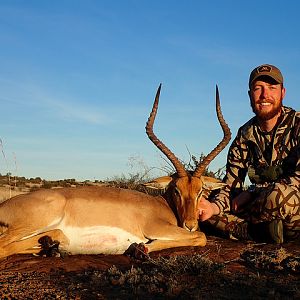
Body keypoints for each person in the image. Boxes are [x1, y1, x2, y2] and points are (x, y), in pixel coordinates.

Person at [198, 64, 300, 244]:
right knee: (203, 207)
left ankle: (247, 230)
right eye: (257, 88)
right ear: (250, 95)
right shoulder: (245, 134)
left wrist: (253, 191)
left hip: (288, 203)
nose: (264, 95)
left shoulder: (298, 124)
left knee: (278, 195)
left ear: (282, 93)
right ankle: (263, 231)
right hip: (261, 206)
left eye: (271, 88)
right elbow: (231, 185)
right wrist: (213, 207)